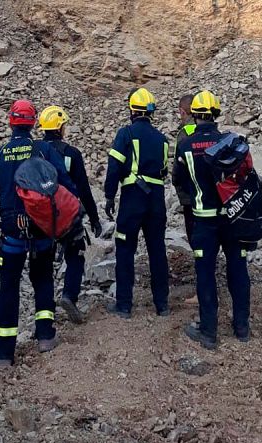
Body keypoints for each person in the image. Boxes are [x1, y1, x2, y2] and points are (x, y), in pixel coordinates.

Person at [0, 99, 79, 367]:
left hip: (11, 233)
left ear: (11, 122)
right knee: (43, 279)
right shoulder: (42, 149)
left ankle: (3, 354)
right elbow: (65, 183)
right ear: (33, 123)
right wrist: (71, 220)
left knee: (9, 288)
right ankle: (45, 336)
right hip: (41, 230)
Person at [172, 90, 252, 350]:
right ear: (217, 114)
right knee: (238, 269)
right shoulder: (231, 141)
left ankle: (208, 332)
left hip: (203, 220)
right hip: (232, 218)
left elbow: (179, 181)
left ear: (194, 114)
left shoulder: (185, 146)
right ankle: (242, 327)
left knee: (205, 273)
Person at [103, 88, 170, 319]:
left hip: (133, 198)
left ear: (132, 109)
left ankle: (124, 305)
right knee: (157, 250)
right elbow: (164, 171)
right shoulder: (162, 139)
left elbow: (114, 167)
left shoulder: (126, 133)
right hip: (156, 200)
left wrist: (110, 196)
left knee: (125, 249)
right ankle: (162, 305)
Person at [38, 105, 102, 324]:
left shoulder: (33, 151)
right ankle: (69, 296)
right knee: (75, 256)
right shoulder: (71, 154)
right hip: (66, 213)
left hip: (39, 215)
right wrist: (94, 218)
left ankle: (44, 309)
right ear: (59, 127)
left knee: (43, 259)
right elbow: (83, 188)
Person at [174, 94, 199, 306]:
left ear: (183, 111)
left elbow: (178, 171)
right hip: (212, 199)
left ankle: (203, 293)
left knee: (198, 245)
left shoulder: (185, 135)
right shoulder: (213, 131)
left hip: (192, 199)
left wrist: (182, 193)